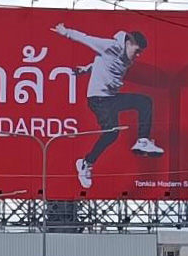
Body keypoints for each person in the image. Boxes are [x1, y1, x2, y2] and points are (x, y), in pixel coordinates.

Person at [51, 23, 164, 190]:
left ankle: (143, 140)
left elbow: (103, 63)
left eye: (141, 52)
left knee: (145, 101)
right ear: (127, 43)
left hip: (111, 98)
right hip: (99, 100)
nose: (138, 55)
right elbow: (85, 38)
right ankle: (86, 164)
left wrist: (86, 69)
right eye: (137, 50)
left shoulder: (127, 57)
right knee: (112, 134)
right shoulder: (110, 46)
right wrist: (65, 32)